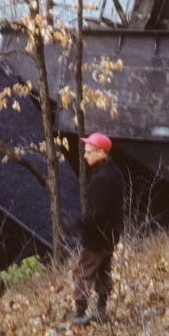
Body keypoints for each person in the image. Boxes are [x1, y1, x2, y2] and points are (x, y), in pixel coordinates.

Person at [71, 132, 124, 325]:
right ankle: (101, 310)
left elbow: (97, 213)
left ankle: (79, 314)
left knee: (82, 272)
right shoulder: (116, 172)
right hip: (110, 235)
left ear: (101, 152)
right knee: (103, 271)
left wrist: (76, 223)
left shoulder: (101, 178)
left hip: (96, 237)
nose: (85, 156)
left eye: (89, 152)